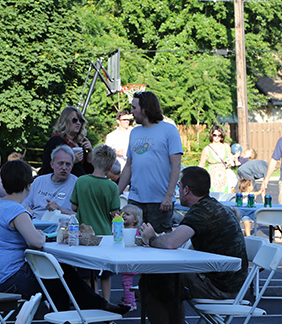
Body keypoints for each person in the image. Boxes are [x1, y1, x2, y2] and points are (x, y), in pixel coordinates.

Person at [0, 160, 128, 324]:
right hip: (8, 280)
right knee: (61, 277)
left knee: (60, 279)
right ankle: (90, 310)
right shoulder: (17, 211)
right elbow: (36, 242)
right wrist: (40, 234)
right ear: (28, 185)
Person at [131, 167, 248, 324]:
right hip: (228, 279)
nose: (177, 191)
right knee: (168, 281)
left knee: (152, 281)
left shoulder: (203, 211)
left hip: (221, 287)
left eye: (179, 187)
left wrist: (150, 238)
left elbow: (171, 243)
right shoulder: (210, 206)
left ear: (186, 190)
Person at [116, 91, 183, 233]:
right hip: (135, 200)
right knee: (131, 240)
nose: (131, 113)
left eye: (134, 108)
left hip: (159, 201)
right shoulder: (134, 132)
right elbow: (129, 166)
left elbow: (176, 165)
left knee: (158, 243)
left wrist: (169, 196)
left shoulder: (169, 130)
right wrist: (116, 194)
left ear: (145, 109)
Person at [71, 144, 121, 300]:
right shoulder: (112, 186)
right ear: (111, 166)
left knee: (88, 273)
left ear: (92, 161)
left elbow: (73, 206)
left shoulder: (81, 181)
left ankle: (94, 300)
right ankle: (106, 301)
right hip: (104, 235)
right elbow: (114, 213)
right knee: (105, 273)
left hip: (85, 236)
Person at [22, 145, 77, 217]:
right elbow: (24, 206)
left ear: (72, 166)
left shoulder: (77, 184)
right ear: (52, 164)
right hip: (34, 223)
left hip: (61, 225)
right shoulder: (39, 181)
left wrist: (60, 210)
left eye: (68, 164)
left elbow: (82, 217)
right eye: (60, 163)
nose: (64, 168)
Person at [39, 106, 94, 178]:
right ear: (65, 121)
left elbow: (89, 170)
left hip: (77, 185)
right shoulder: (55, 141)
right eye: (75, 120)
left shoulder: (79, 144)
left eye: (81, 121)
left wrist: (90, 151)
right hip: (61, 185)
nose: (78, 123)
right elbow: (47, 169)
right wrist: (71, 161)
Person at [120, 204, 143, 310]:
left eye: (127, 214)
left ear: (135, 220)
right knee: (127, 281)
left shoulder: (134, 232)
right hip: (127, 259)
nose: (123, 216)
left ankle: (130, 303)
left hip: (130, 260)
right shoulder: (122, 229)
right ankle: (130, 301)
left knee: (126, 281)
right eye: (122, 213)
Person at [198, 124, 234, 194]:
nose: (217, 137)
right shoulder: (207, 149)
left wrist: (231, 160)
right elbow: (201, 165)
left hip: (224, 178)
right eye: (215, 135)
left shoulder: (226, 147)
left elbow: (230, 158)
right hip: (212, 178)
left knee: (225, 197)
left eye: (219, 135)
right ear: (211, 135)